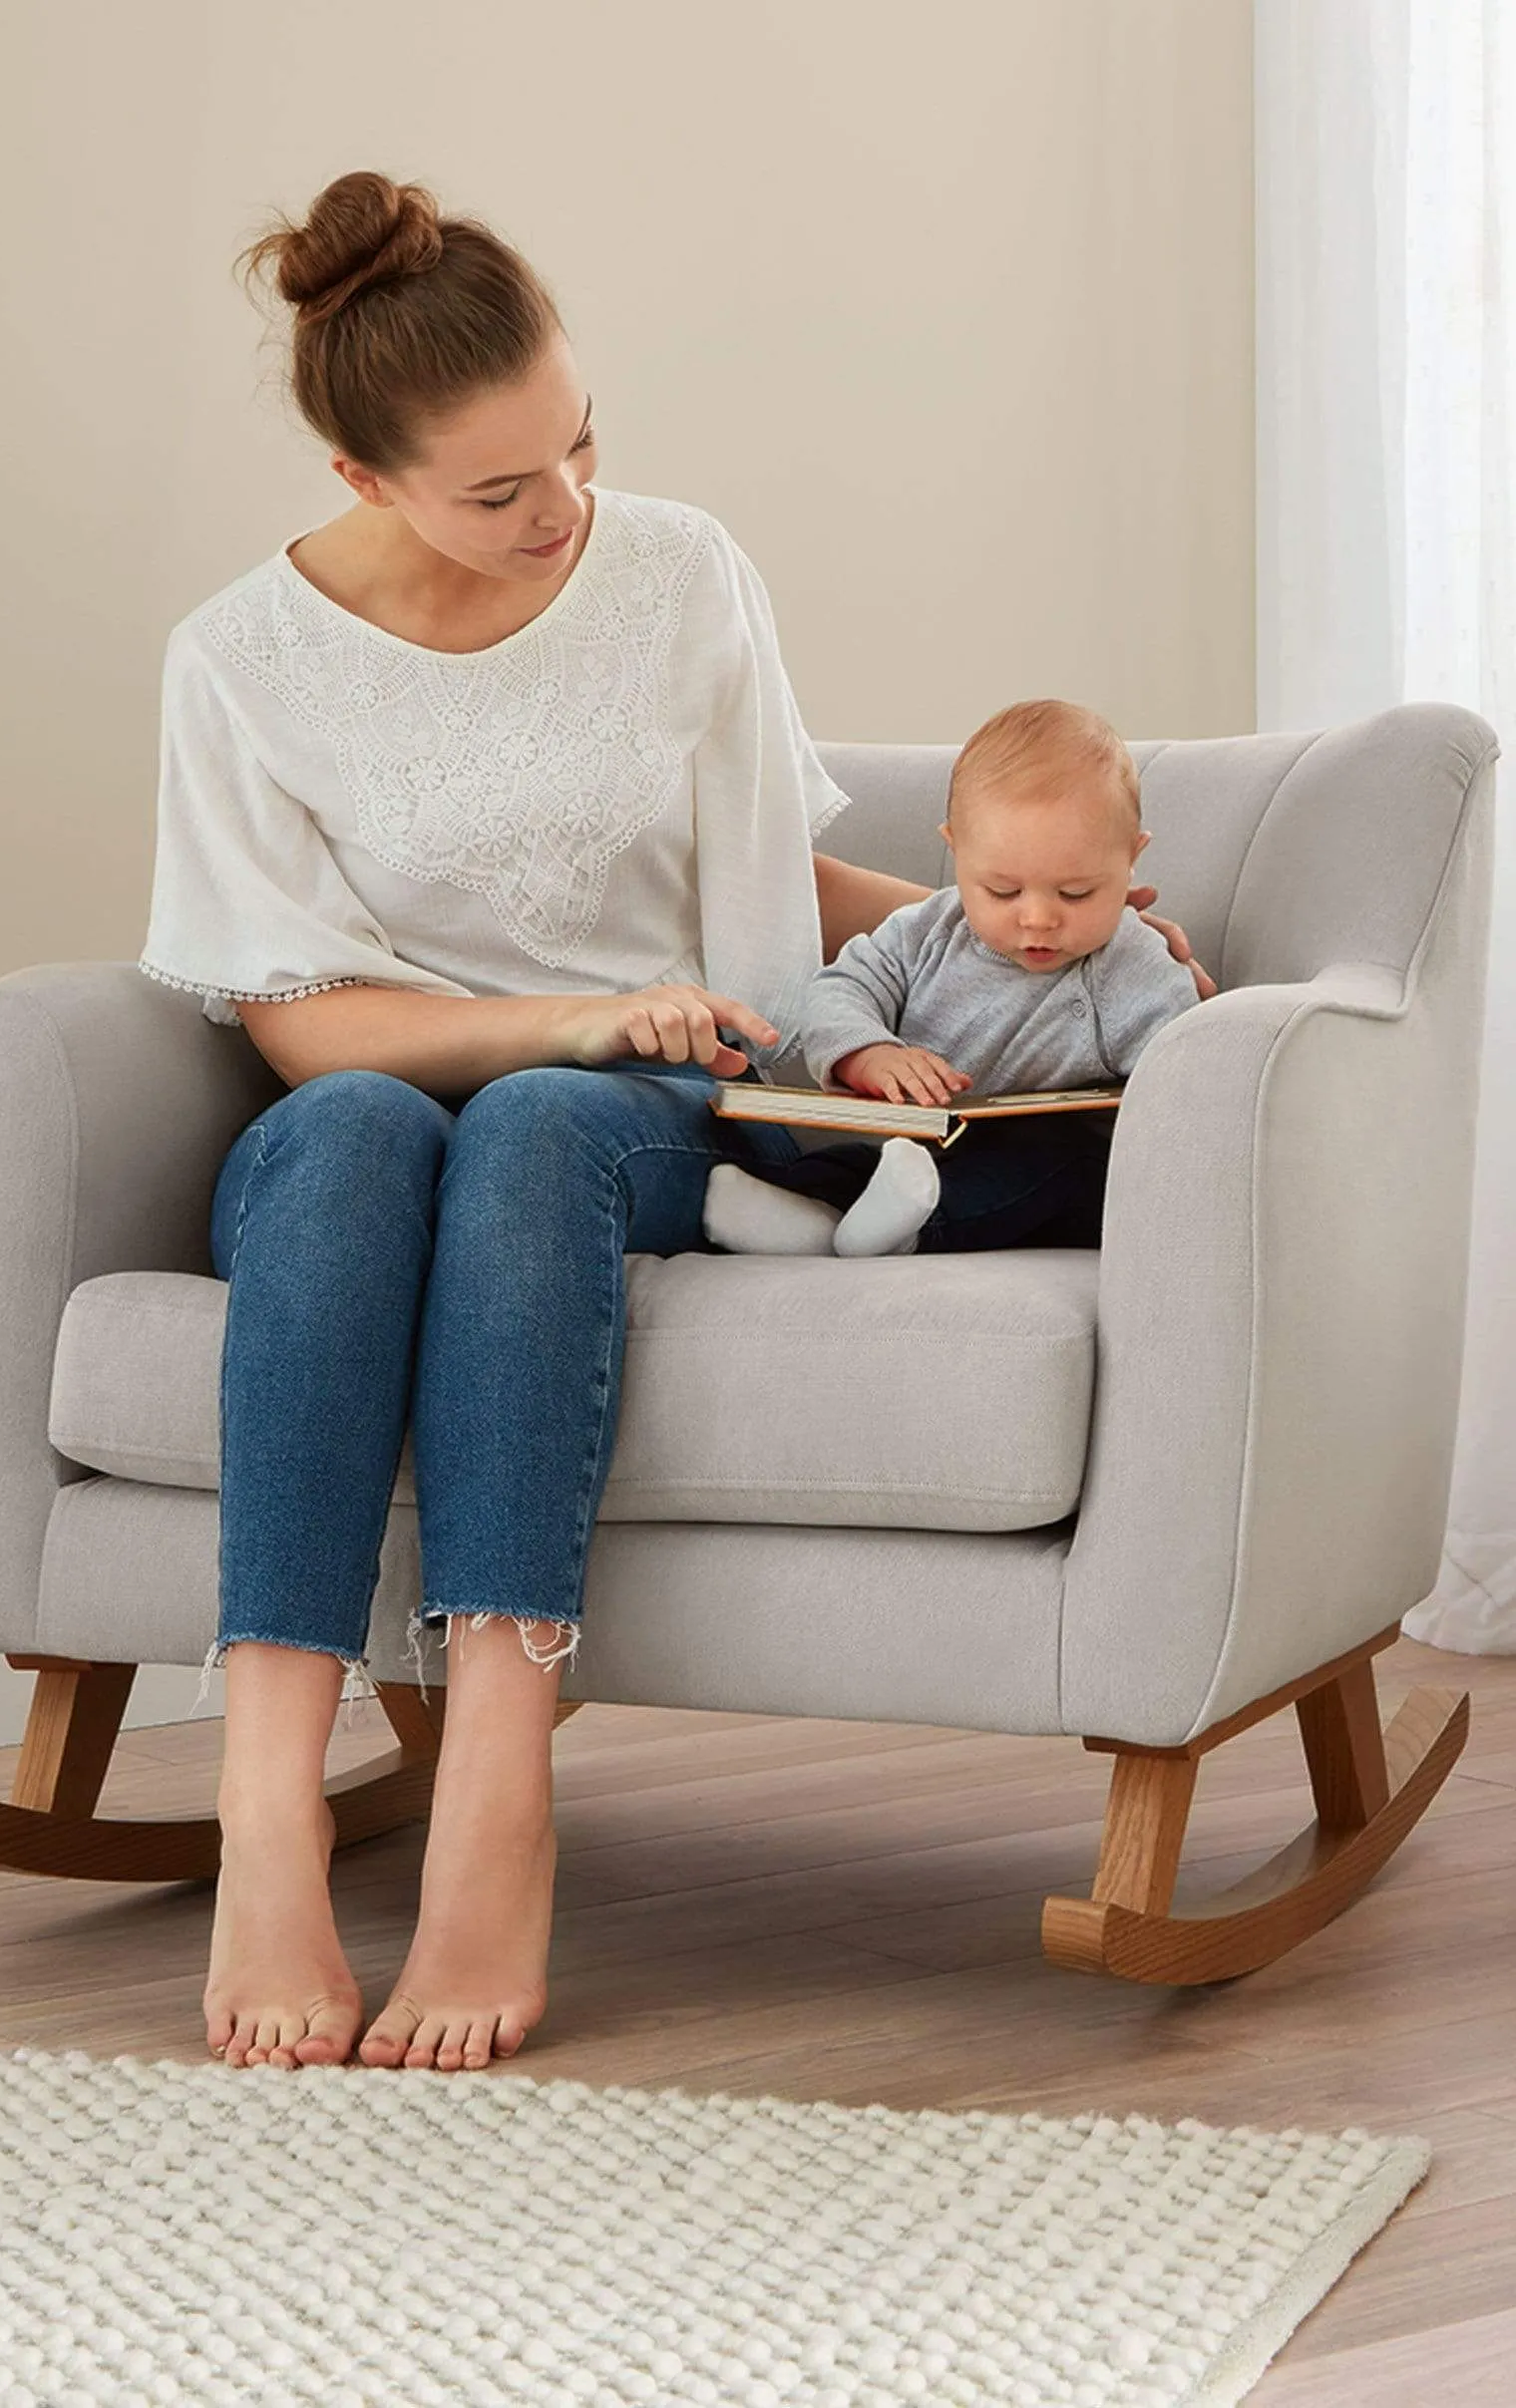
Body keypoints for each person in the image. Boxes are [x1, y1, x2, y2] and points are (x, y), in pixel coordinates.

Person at [139, 171, 1207, 2075]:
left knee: (546, 1121)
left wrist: (1039, 934)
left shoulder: (683, 570)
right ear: (362, 478)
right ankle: (267, 1809)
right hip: (401, 1082)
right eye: (497, 491)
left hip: (656, 1097)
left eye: (580, 446)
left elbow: (767, 880)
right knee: (358, 1137)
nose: (563, 511)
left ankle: (495, 1785)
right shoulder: (240, 658)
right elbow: (302, 1024)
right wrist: (563, 1009)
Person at [703, 699, 1201, 1259]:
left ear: (1132, 859)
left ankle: (911, 1231)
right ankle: (814, 1219)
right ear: (956, 851)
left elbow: (1184, 1077)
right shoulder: (925, 932)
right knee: (855, 1162)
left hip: (1067, 1176)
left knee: (1048, 1157)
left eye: (1076, 893)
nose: (1038, 918)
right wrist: (867, 1053)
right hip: (925, 1150)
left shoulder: (1130, 964)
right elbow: (841, 987)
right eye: (1002, 892)